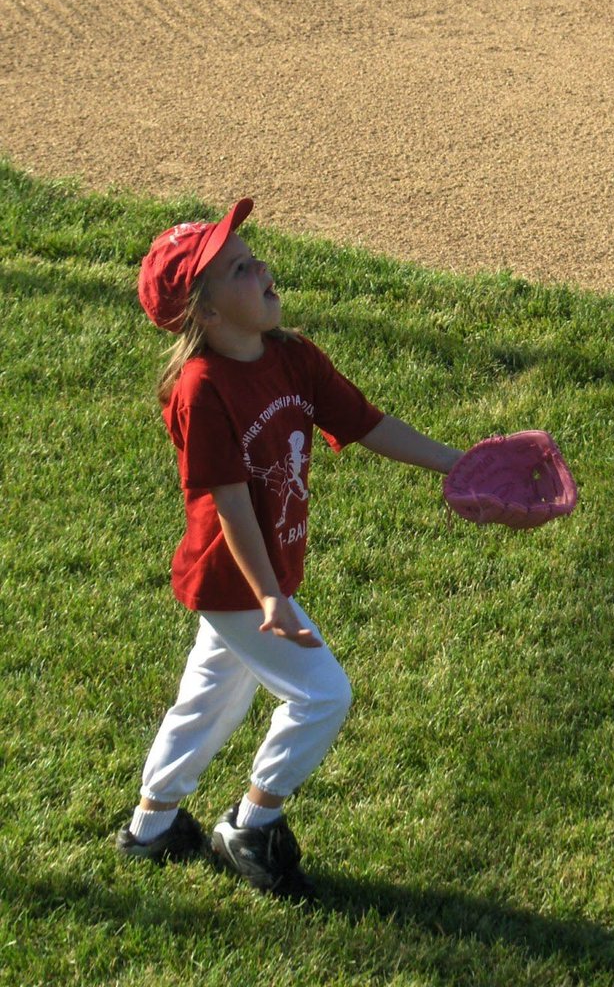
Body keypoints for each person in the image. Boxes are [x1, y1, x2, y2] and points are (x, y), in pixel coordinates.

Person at [116, 198, 462, 900]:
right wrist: (270, 595)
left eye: (253, 257)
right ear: (206, 313)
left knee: (210, 700)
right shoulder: (201, 389)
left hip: (260, 580)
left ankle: (151, 827)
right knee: (323, 695)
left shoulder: (293, 357)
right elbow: (230, 502)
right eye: (239, 270)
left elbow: (366, 423)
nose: (263, 269)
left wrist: (459, 464)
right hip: (236, 580)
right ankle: (252, 823)